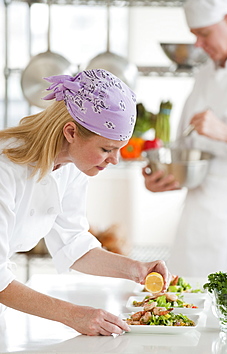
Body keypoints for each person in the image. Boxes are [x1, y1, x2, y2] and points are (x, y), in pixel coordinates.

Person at [0, 68, 171, 336]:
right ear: (70, 132)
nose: (115, 160)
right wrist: (73, 315)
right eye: (107, 149)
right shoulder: (5, 168)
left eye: (119, 149)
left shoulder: (70, 165)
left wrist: (136, 269)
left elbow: (73, 244)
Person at [143, 0, 227, 277]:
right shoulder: (204, 74)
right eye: (193, 34)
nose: (198, 44)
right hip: (196, 223)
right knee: (188, 308)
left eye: (205, 33)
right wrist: (162, 178)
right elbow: (184, 148)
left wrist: (225, 132)